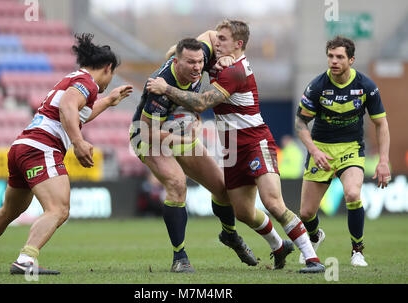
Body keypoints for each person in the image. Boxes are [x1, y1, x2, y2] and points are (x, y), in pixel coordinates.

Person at [147, 20, 326, 273]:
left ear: (238, 44)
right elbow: (178, 53)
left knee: (273, 202)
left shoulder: (235, 72)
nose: (215, 43)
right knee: (242, 212)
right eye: (217, 38)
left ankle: (312, 258)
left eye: (222, 39)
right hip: (232, 149)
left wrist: (166, 88)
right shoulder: (213, 61)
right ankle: (278, 246)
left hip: (256, 142)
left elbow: (201, 103)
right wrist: (176, 59)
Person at [0, 33, 133, 275]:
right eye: (111, 74)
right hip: (41, 148)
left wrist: (107, 101)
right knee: (59, 209)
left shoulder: (72, 79)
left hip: (22, 146)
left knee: (9, 211)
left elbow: (76, 111)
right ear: (108, 68)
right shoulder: (88, 83)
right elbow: (67, 107)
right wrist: (78, 142)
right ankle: (25, 260)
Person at [130, 35, 262, 273]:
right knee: (177, 183)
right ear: (176, 61)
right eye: (190, 62)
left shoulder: (202, 51)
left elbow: (215, 34)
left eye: (200, 61)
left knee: (222, 189)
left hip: (177, 129)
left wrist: (230, 55)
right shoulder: (159, 87)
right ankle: (179, 257)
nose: (198, 67)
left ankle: (230, 235)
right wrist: (186, 138)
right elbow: (148, 132)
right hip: (147, 135)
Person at [294, 36, 391, 267]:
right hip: (322, 150)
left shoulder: (366, 86)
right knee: (306, 213)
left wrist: (384, 160)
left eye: (339, 57)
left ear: (351, 60)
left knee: (352, 194)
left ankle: (357, 251)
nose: (334, 61)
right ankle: (316, 236)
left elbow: (382, 124)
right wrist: (314, 151)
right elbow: (300, 124)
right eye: (330, 56)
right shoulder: (317, 86)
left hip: (351, 148)